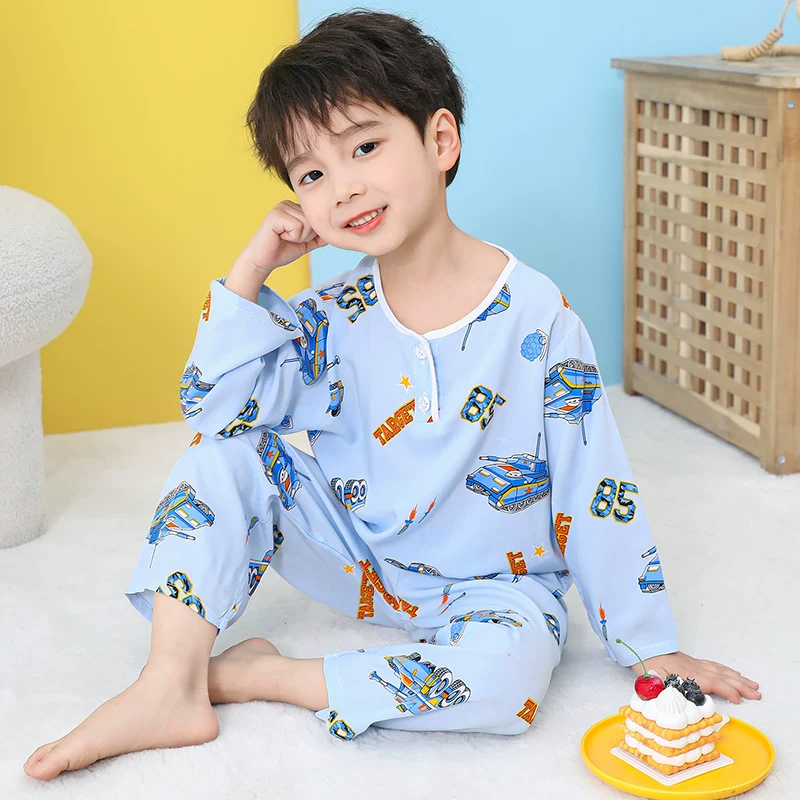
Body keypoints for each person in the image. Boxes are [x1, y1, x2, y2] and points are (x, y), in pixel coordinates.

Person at [24, 8, 760, 781]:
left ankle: (259, 677)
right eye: (311, 175)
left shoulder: (538, 316)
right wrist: (252, 269)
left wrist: (648, 644)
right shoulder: (328, 316)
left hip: (499, 590)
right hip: (361, 562)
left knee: (510, 683)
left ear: (440, 142)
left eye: (365, 147)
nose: (343, 188)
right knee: (222, 457)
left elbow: (593, 482)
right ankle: (168, 684)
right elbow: (214, 408)